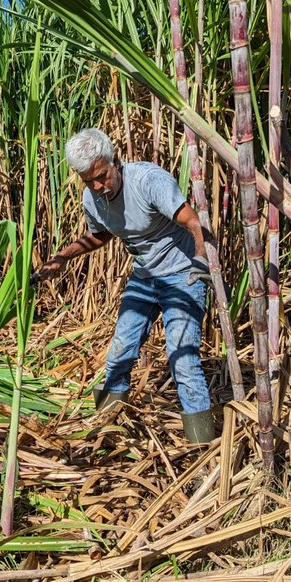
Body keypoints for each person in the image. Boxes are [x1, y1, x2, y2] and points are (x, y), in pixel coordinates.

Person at [36, 128, 218, 444]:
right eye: (88, 181)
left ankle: (203, 450)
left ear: (115, 159)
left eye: (102, 176)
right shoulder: (92, 198)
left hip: (181, 277)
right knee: (119, 353)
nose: (98, 187)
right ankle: (106, 432)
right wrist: (63, 256)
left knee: (183, 360)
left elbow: (192, 222)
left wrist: (201, 259)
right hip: (144, 279)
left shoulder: (148, 181)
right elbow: (102, 234)